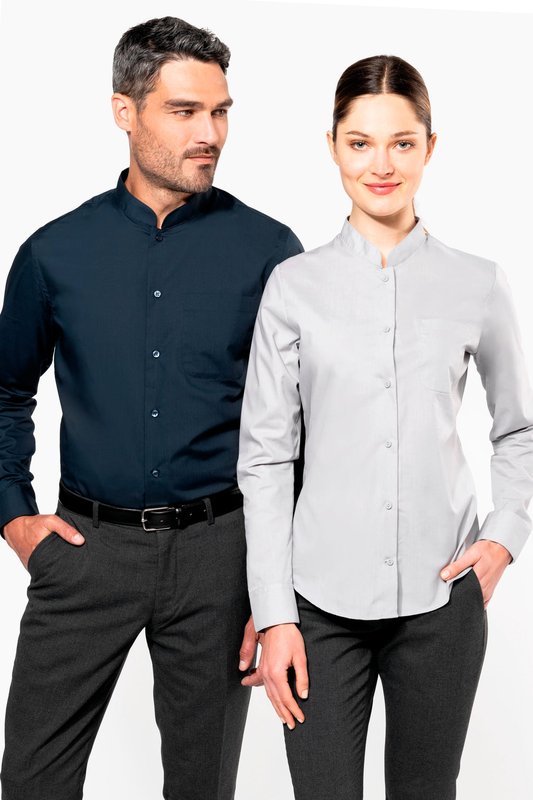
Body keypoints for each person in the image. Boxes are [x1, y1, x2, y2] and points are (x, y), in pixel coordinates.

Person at [0, 16, 302, 800]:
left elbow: (302, 429)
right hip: (85, 550)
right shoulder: (54, 254)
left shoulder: (270, 252)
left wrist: (274, 590)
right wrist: (14, 517)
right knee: (32, 780)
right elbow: (5, 392)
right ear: (124, 111)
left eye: (220, 111)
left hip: (221, 557)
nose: (210, 134)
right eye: (184, 111)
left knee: (202, 786)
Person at [237, 54, 533, 800]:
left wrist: (503, 538)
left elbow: (518, 429)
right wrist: (273, 615)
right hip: (316, 607)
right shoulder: (292, 287)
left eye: (402, 142)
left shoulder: (477, 283)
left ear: (430, 147)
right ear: (332, 147)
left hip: (442, 602)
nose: (381, 165)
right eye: (360, 142)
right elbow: (265, 458)